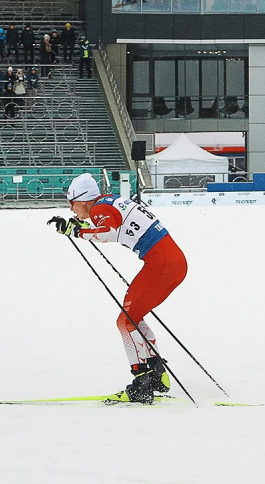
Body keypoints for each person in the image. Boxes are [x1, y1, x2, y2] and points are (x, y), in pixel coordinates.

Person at [49, 173, 188, 404]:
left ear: (82, 200)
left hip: (162, 266)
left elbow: (108, 232)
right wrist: (81, 227)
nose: (72, 210)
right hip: (172, 263)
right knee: (134, 317)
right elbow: (109, 224)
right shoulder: (108, 201)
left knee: (125, 321)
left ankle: (142, 383)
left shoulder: (97, 209)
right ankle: (156, 373)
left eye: (71, 203)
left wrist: (76, 231)